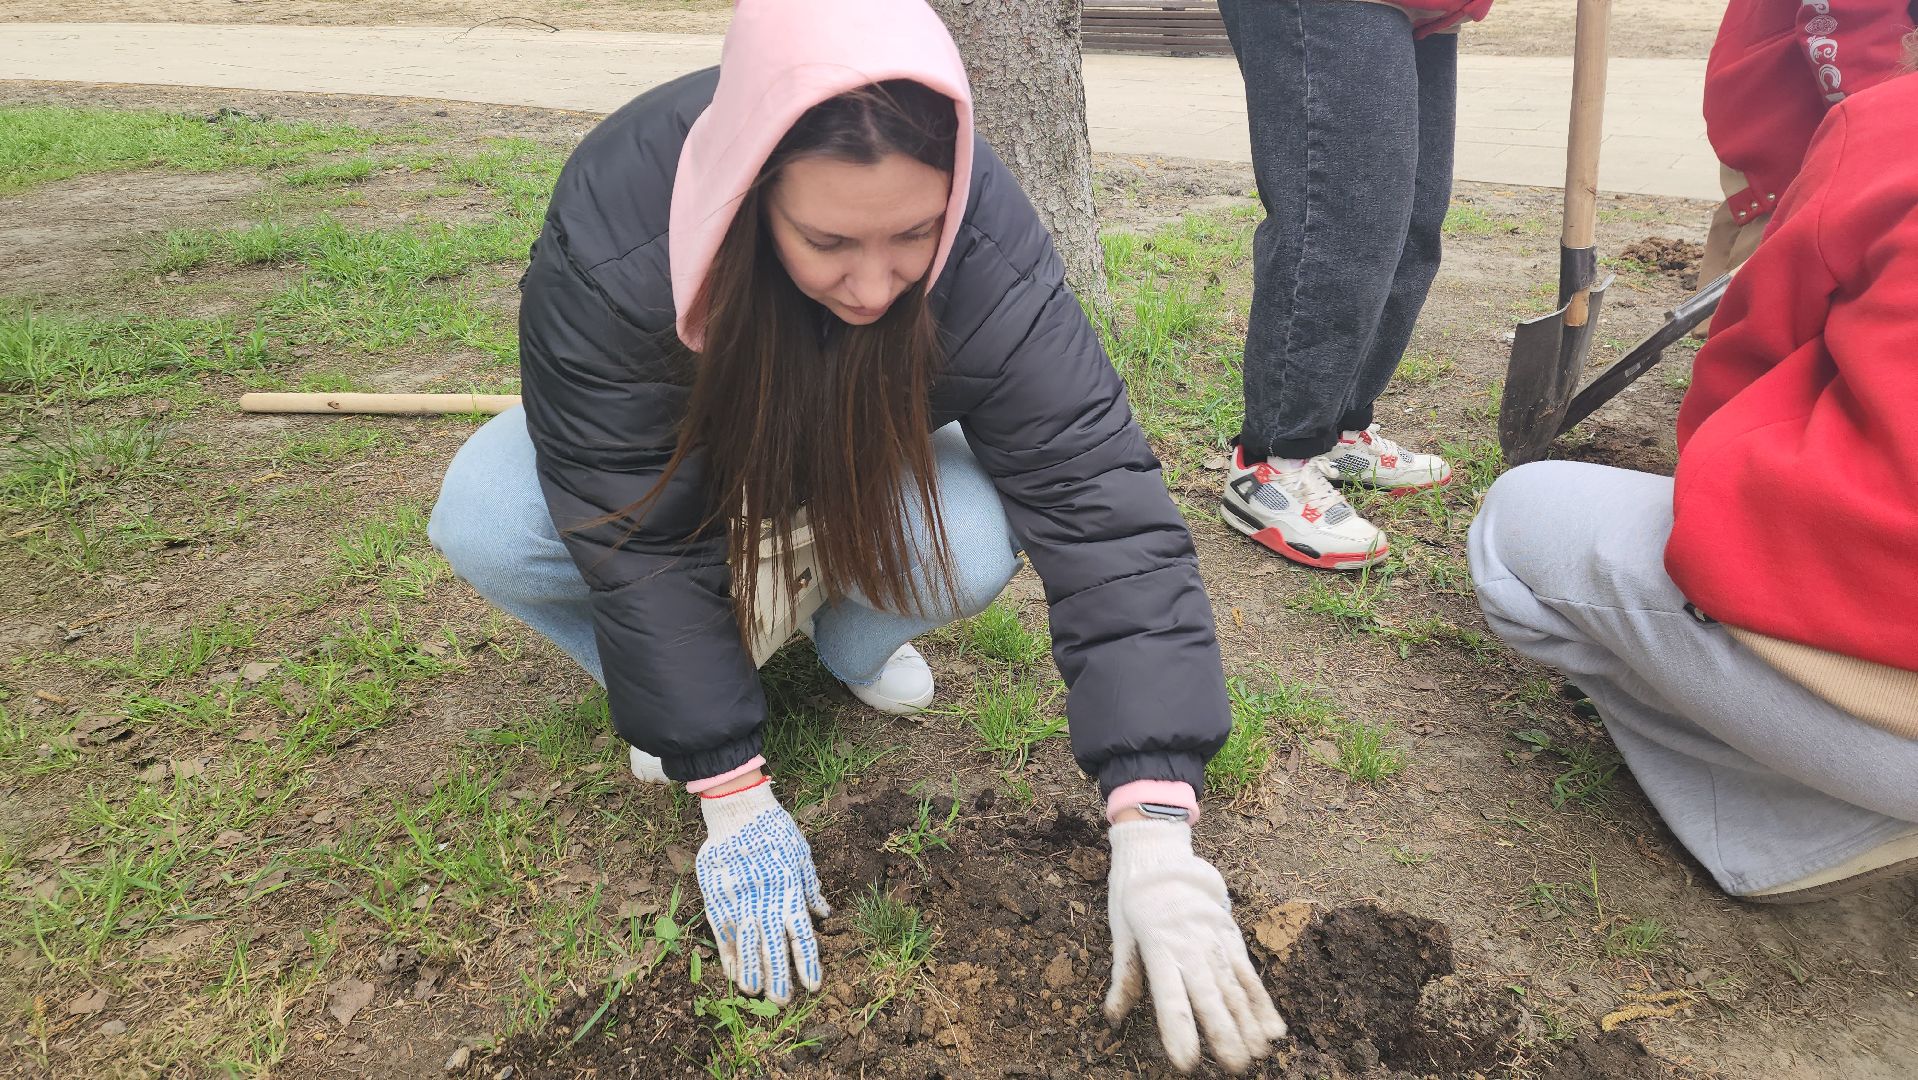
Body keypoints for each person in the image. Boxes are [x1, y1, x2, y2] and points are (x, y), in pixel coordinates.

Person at [428, 0, 1288, 1071]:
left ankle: (844, 646)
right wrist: (729, 789)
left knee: (974, 534)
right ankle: (667, 695)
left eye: (912, 238)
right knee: (492, 515)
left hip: (850, 449)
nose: (877, 285)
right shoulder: (623, 227)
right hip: (684, 451)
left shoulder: (983, 239)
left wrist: (1153, 822)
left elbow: (1095, 500)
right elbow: (633, 527)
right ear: (751, 188)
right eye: (829, 241)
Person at [1468, 68, 1918, 904]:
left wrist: (1714, 482)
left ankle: (1791, 828)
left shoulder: (1895, 124)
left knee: (1516, 521)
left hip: (1890, 705)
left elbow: (1751, 356)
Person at [1213, 0, 1492, 571]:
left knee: (1411, 221)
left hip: (1427, 9)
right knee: (1339, 217)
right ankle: (1270, 460)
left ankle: (1338, 428)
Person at [1695, 0, 1915, 293]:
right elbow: (1852, 28)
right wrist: (1891, 128)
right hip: (1794, 112)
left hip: (1787, 100)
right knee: (1771, 273)